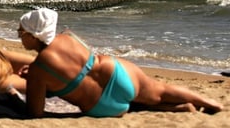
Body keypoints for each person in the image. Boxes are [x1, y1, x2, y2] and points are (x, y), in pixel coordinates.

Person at [18, 8, 223, 118]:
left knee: (130, 107)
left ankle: (179, 109)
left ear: (34, 36)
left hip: (100, 105)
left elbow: (35, 113)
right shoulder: (68, 36)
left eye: (22, 31)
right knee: (161, 89)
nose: (19, 35)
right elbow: (76, 66)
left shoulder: (38, 70)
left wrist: (36, 81)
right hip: (116, 72)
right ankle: (209, 102)